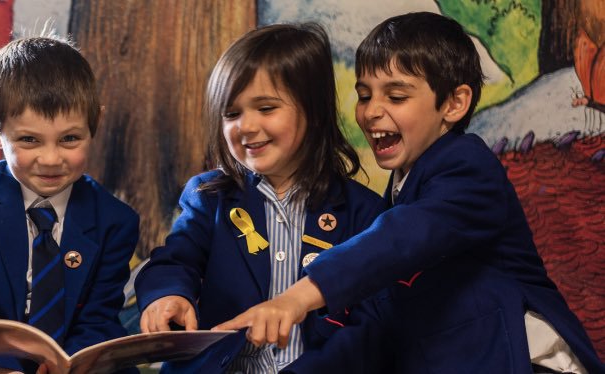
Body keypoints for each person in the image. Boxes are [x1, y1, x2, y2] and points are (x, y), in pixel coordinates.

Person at [222, 12, 604, 373]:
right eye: (365, 95)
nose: (371, 111)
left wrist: (297, 297)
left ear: (454, 104)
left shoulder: (468, 169)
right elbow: (377, 326)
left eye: (396, 96)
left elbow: (402, 237)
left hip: (527, 361)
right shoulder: (403, 189)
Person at [133, 23, 386, 373]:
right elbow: (175, 260)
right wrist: (167, 295)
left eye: (266, 108)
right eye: (232, 113)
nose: (246, 126)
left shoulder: (365, 212)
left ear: (313, 113)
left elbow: (368, 325)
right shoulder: (209, 197)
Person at [0, 37, 139, 374]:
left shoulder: (116, 222)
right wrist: (0, 368)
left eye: (69, 139)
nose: (50, 159)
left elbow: (98, 319)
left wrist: (66, 364)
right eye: (29, 140)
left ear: (95, 123)